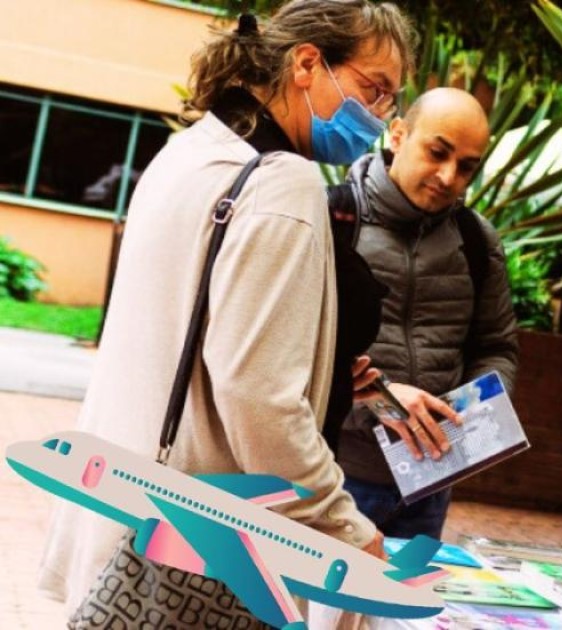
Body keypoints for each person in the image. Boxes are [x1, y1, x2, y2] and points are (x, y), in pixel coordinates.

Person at [38, 0, 417, 616]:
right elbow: (258, 395)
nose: (377, 118)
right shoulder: (282, 182)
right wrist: (344, 525)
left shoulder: (188, 153)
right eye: (373, 91)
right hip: (201, 547)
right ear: (306, 64)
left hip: (125, 525)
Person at [333, 87, 519, 540]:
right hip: (334, 480)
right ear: (398, 135)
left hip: (427, 492)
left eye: (467, 166)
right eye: (438, 152)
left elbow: (496, 348)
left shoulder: (477, 241)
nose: (449, 176)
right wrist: (385, 401)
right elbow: (296, 355)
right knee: (315, 611)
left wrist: (473, 418)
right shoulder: (331, 218)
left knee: (403, 611)